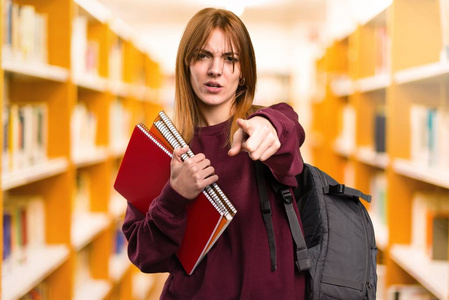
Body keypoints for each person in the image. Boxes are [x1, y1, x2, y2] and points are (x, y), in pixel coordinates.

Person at [122, 7, 306, 299]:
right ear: (186, 65)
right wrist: (174, 196)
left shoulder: (264, 127)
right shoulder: (163, 147)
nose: (215, 70)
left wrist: (267, 125)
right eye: (202, 55)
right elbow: (143, 255)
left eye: (230, 59)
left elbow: (289, 129)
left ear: (244, 71)